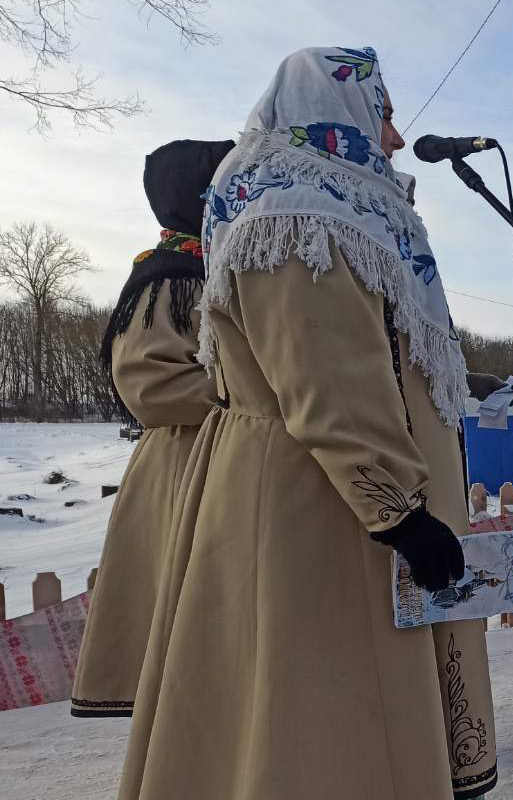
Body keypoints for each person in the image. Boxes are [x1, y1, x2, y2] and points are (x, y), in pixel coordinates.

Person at [118, 47, 497, 800]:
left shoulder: (332, 204)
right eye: (383, 114)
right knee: (320, 726)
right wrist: (398, 514)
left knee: (311, 718)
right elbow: (328, 383)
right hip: (319, 510)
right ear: (337, 106)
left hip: (329, 496)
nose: (392, 138)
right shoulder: (296, 211)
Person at [70, 139, 233, 719]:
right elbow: (150, 385)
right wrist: (259, 393)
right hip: (186, 463)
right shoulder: (170, 276)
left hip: (227, 454)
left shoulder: (223, 265)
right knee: (192, 607)